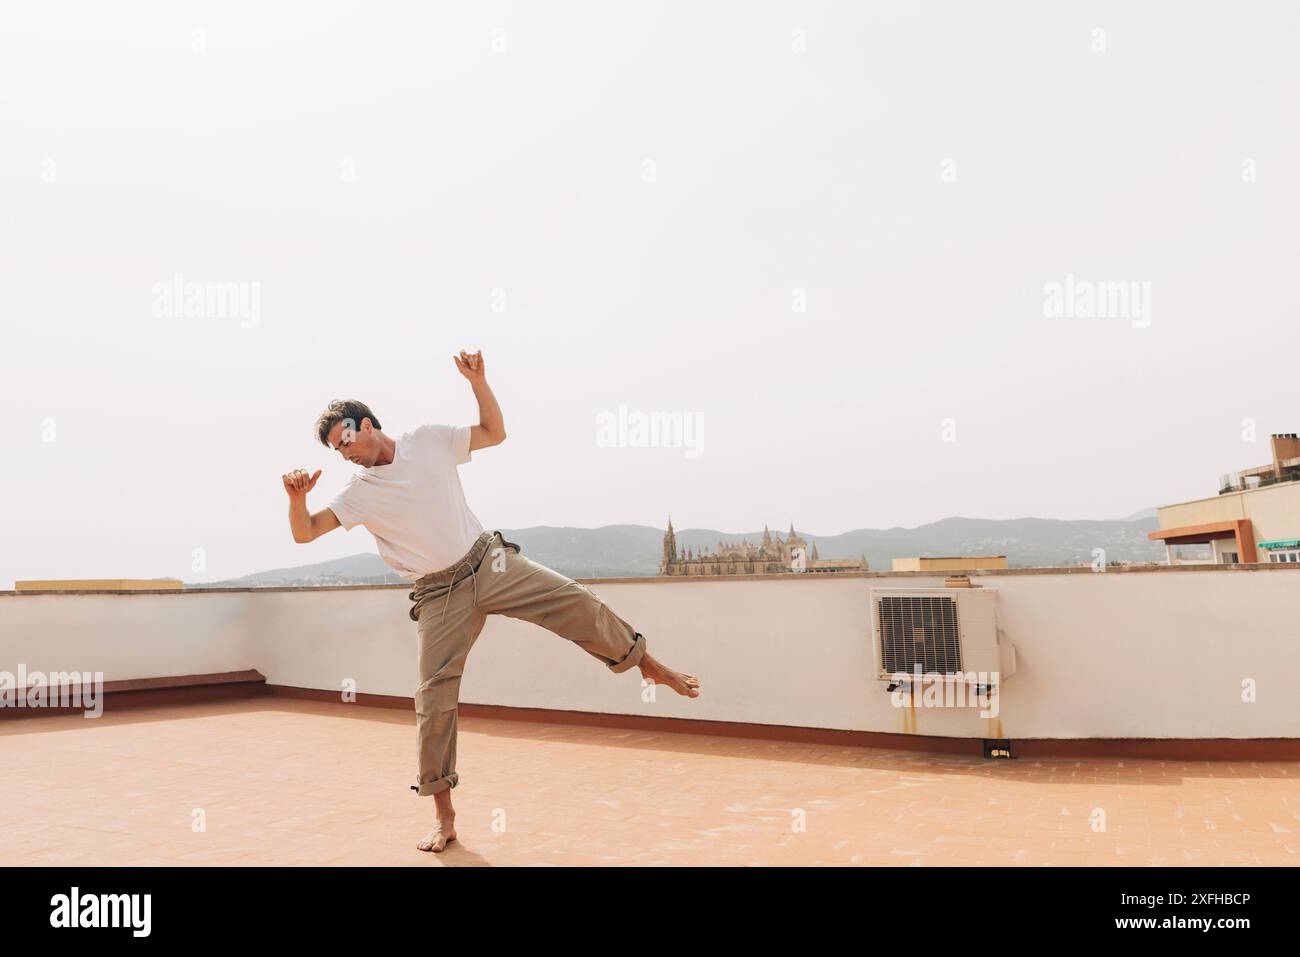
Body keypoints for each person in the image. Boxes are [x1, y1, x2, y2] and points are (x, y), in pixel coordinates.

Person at [281, 350, 700, 852]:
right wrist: (296, 498)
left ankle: (647, 664)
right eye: (335, 449)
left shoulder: (428, 440)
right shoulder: (358, 492)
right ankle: (444, 816)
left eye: (344, 440)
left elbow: (493, 432)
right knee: (433, 699)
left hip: (488, 562)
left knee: (574, 600)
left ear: (366, 424)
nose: (343, 453)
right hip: (438, 593)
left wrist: (479, 381)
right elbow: (305, 534)